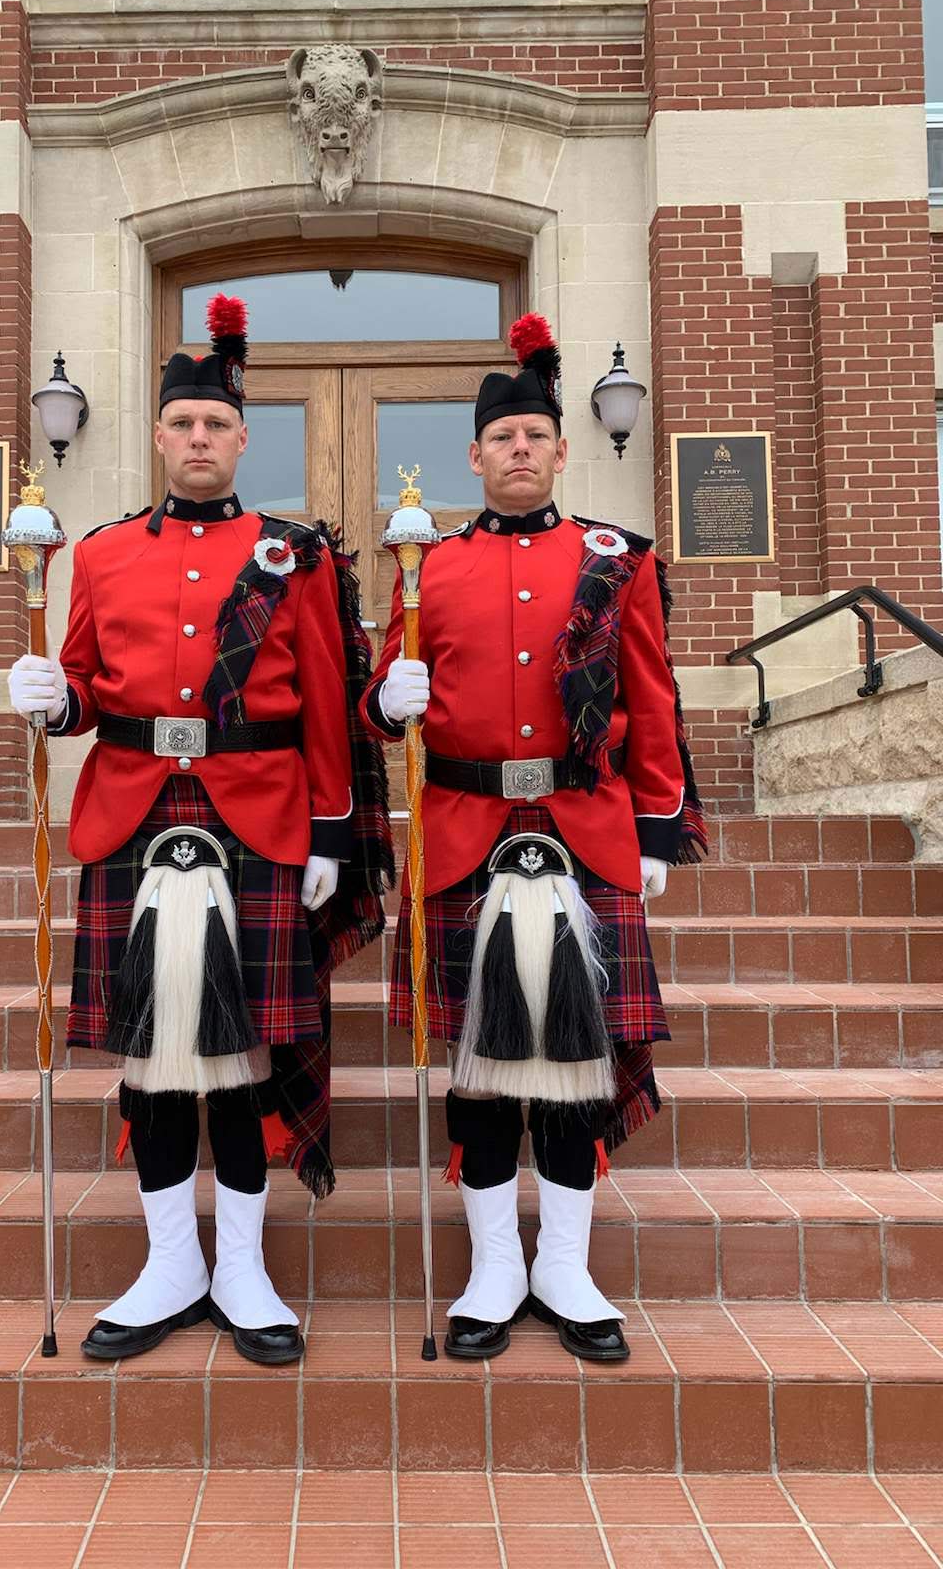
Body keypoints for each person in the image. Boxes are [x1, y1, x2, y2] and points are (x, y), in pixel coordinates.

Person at [9, 295, 390, 1367]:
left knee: (245, 1054)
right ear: (160, 434)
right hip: (133, 812)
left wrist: (327, 836)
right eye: (181, 425)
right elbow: (84, 687)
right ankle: (170, 1261)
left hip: (258, 820)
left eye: (216, 425)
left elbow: (324, 701)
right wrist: (50, 696)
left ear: (242, 437)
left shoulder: (292, 558)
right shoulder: (104, 551)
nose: (197, 440)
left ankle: (246, 1268)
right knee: (154, 1055)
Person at [362, 312, 706, 1362]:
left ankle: (564, 1262)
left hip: (581, 829)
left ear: (559, 448)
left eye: (535, 436)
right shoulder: (423, 566)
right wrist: (388, 699)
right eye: (500, 439)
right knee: (476, 1070)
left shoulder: (616, 561)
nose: (518, 451)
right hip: (465, 832)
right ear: (474, 456)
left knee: (572, 1064)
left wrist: (657, 820)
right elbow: (383, 693)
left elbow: (651, 695)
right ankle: (491, 1269)